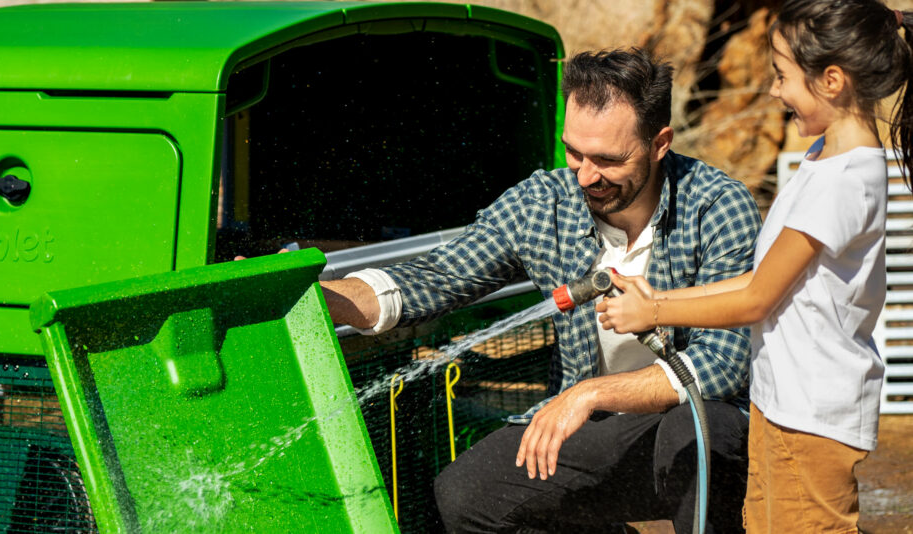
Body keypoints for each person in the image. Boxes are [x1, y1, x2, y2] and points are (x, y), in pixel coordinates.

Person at [320, 48, 762, 533]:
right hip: (596, 428)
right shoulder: (542, 202)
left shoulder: (718, 205)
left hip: (691, 426)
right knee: (465, 495)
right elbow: (437, 276)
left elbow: (723, 364)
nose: (586, 176)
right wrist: (322, 300)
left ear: (659, 144)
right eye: (574, 153)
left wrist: (589, 394)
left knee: (695, 433)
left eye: (608, 159)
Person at [597, 2, 913, 532]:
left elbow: (757, 299)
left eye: (782, 76)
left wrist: (653, 313)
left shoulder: (844, 181)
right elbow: (761, 280)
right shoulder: (823, 159)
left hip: (811, 417)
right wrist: (655, 298)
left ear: (832, 81)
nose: (773, 91)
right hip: (783, 404)